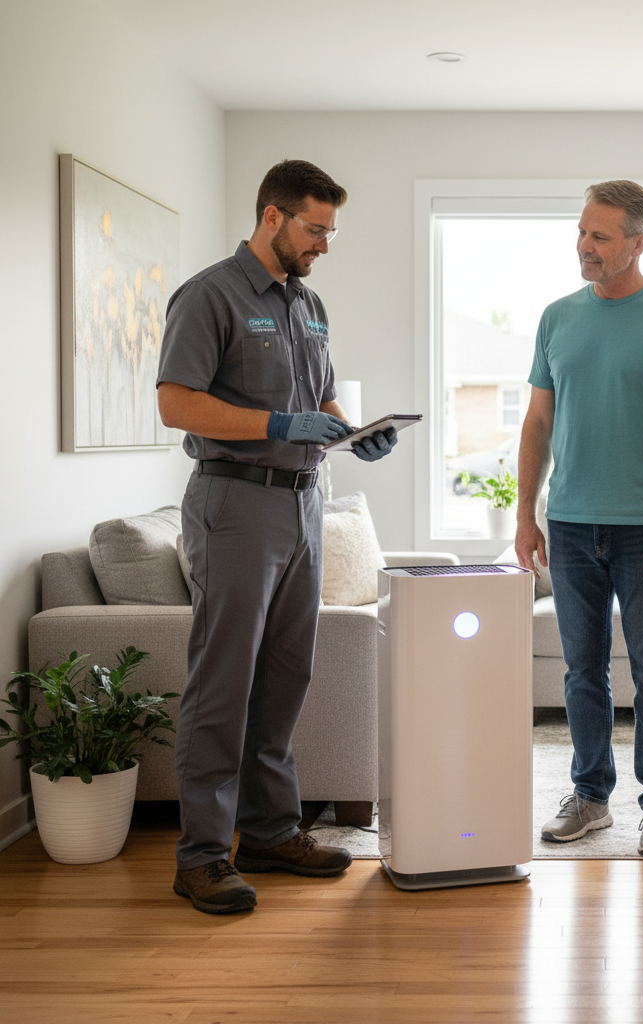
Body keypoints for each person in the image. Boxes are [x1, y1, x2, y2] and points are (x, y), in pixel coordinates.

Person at [156, 159, 398, 914]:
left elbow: (319, 396)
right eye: (316, 229)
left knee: (287, 675)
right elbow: (176, 404)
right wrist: (278, 425)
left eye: (330, 232)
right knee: (223, 681)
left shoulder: (308, 303)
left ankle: (268, 832)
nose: (324, 244)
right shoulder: (209, 295)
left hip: (304, 504)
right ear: (273, 217)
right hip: (234, 502)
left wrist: (353, 432)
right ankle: (201, 856)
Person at [516, 180, 643, 856]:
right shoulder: (556, 318)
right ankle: (590, 795)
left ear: (638, 243)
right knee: (582, 669)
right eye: (582, 231)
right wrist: (526, 513)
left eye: (599, 236)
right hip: (570, 524)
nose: (584, 245)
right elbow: (538, 422)